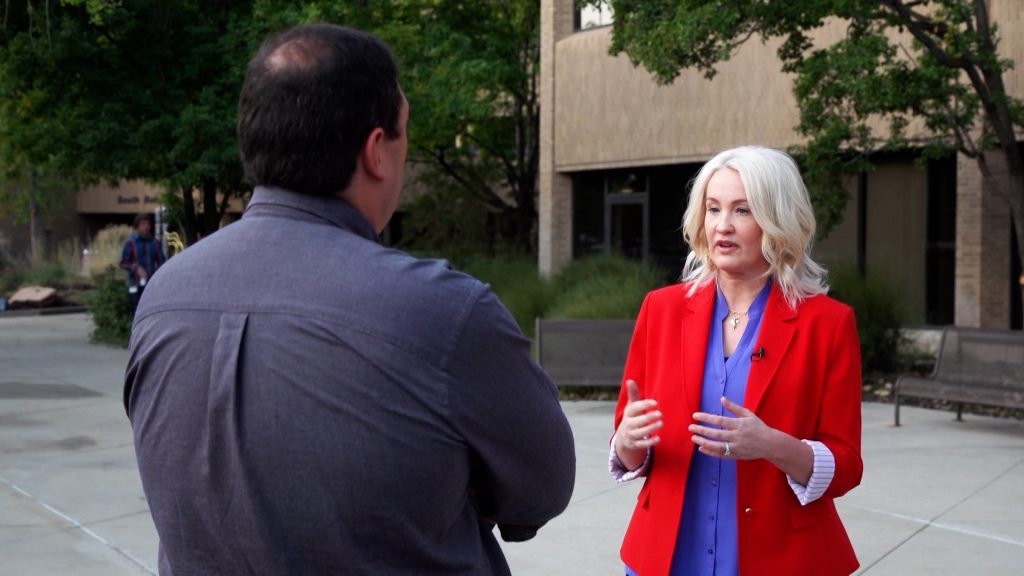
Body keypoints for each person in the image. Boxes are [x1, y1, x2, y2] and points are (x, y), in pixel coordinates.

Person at [124, 23, 575, 575]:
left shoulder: (164, 296)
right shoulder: (439, 313)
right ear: (375, 151)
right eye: (404, 133)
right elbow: (543, 489)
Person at [610, 146, 863, 575]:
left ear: (777, 219)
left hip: (784, 559)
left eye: (742, 210)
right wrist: (627, 442)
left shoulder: (829, 324)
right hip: (665, 557)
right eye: (713, 209)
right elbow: (631, 454)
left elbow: (846, 467)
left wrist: (772, 445)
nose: (722, 226)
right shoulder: (661, 309)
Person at [119, 213, 164, 315]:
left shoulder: (155, 243)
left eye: (148, 224)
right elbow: (123, 262)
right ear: (137, 226)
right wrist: (136, 268)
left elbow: (162, 262)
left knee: (150, 312)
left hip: (150, 284)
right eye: (143, 224)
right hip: (134, 283)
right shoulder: (130, 242)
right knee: (135, 311)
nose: (146, 226)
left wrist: (157, 275)